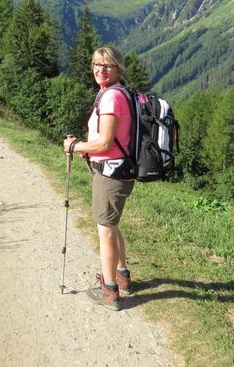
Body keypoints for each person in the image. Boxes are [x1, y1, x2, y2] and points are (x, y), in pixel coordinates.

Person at [63, 46, 135, 311]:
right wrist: (85, 147)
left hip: (112, 171)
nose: (100, 70)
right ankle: (121, 275)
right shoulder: (117, 92)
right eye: (96, 64)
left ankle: (109, 291)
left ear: (118, 69)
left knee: (104, 230)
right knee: (111, 224)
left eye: (107, 66)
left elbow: (105, 142)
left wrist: (75, 147)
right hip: (118, 169)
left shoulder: (112, 97)